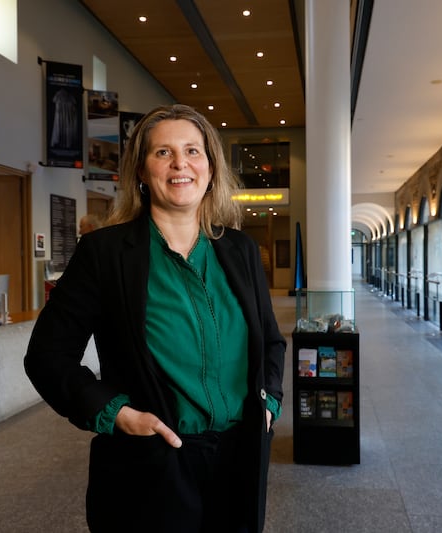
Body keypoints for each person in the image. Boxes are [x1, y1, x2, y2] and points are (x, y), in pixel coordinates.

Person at [24, 103, 285, 532]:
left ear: (211, 168)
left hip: (241, 457)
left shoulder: (239, 252)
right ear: (142, 173)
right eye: (163, 153)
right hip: (154, 462)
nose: (180, 163)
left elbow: (271, 342)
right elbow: (48, 356)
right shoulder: (105, 255)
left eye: (192, 151)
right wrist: (118, 413)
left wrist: (269, 401)